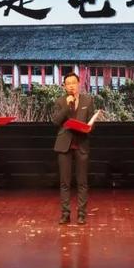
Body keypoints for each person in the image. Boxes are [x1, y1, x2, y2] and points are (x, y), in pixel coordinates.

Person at [51, 72, 96, 225]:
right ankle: (65, 214)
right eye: (68, 83)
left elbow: (91, 122)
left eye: (73, 83)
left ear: (79, 84)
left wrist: (89, 128)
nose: (71, 86)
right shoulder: (60, 101)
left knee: (82, 182)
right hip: (65, 144)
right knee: (65, 182)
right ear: (64, 86)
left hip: (81, 143)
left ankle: (82, 214)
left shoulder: (88, 100)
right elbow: (56, 121)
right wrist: (66, 106)